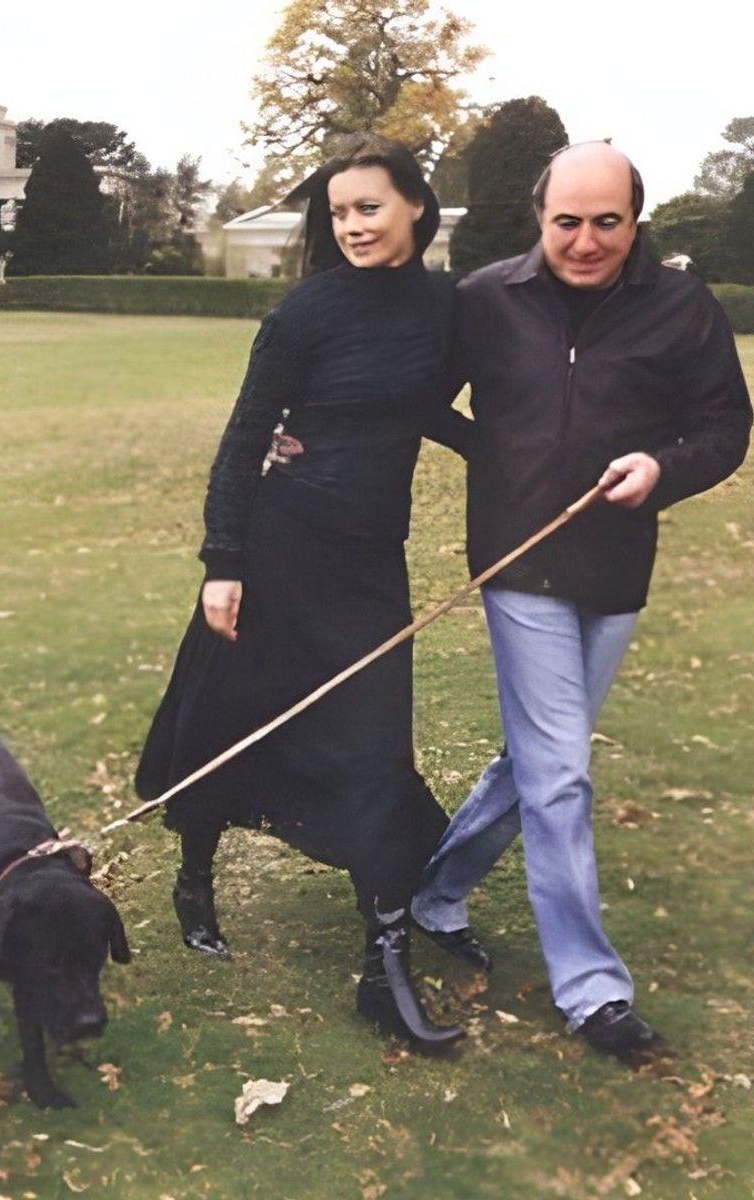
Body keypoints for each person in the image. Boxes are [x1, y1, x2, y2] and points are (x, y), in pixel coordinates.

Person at [410, 143, 751, 1055]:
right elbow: (418, 397)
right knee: (560, 770)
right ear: (541, 217)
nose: (587, 241)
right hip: (518, 563)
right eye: (569, 222)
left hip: (616, 568)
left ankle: (433, 892)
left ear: (636, 221)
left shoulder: (682, 306)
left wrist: (662, 469)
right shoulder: (486, 298)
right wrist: (494, 453)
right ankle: (592, 991)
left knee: (536, 759)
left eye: (608, 222)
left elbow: (726, 427)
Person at [135, 135, 472, 1047]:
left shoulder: (447, 306)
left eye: (369, 207)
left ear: (415, 206)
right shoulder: (305, 312)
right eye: (340, 213)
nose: (353, 225)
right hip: (278, 554)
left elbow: (415, 405)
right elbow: (245, 435)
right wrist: (223, 561)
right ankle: (195, 877)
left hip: (369, 567)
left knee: (375, 747)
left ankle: (382, 966)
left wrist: (510, 456)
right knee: (229, 722)